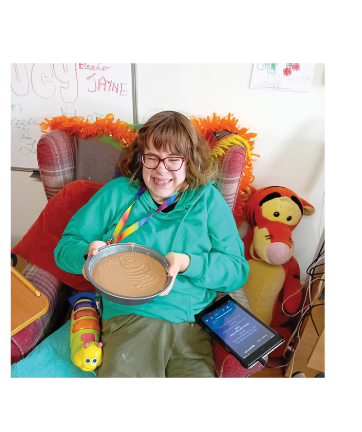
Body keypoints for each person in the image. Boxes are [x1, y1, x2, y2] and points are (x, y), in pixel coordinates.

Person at [53, 110, 248, 378]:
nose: (161, 169)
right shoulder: (117, 193)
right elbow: (64, 249)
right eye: (152, 157)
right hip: (128, 320)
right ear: (139, 158)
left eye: (173, 160)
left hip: (191, 328)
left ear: (189, 161)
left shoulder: (208, 201)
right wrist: (87, 254)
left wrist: (189, 263)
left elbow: (237, 271)